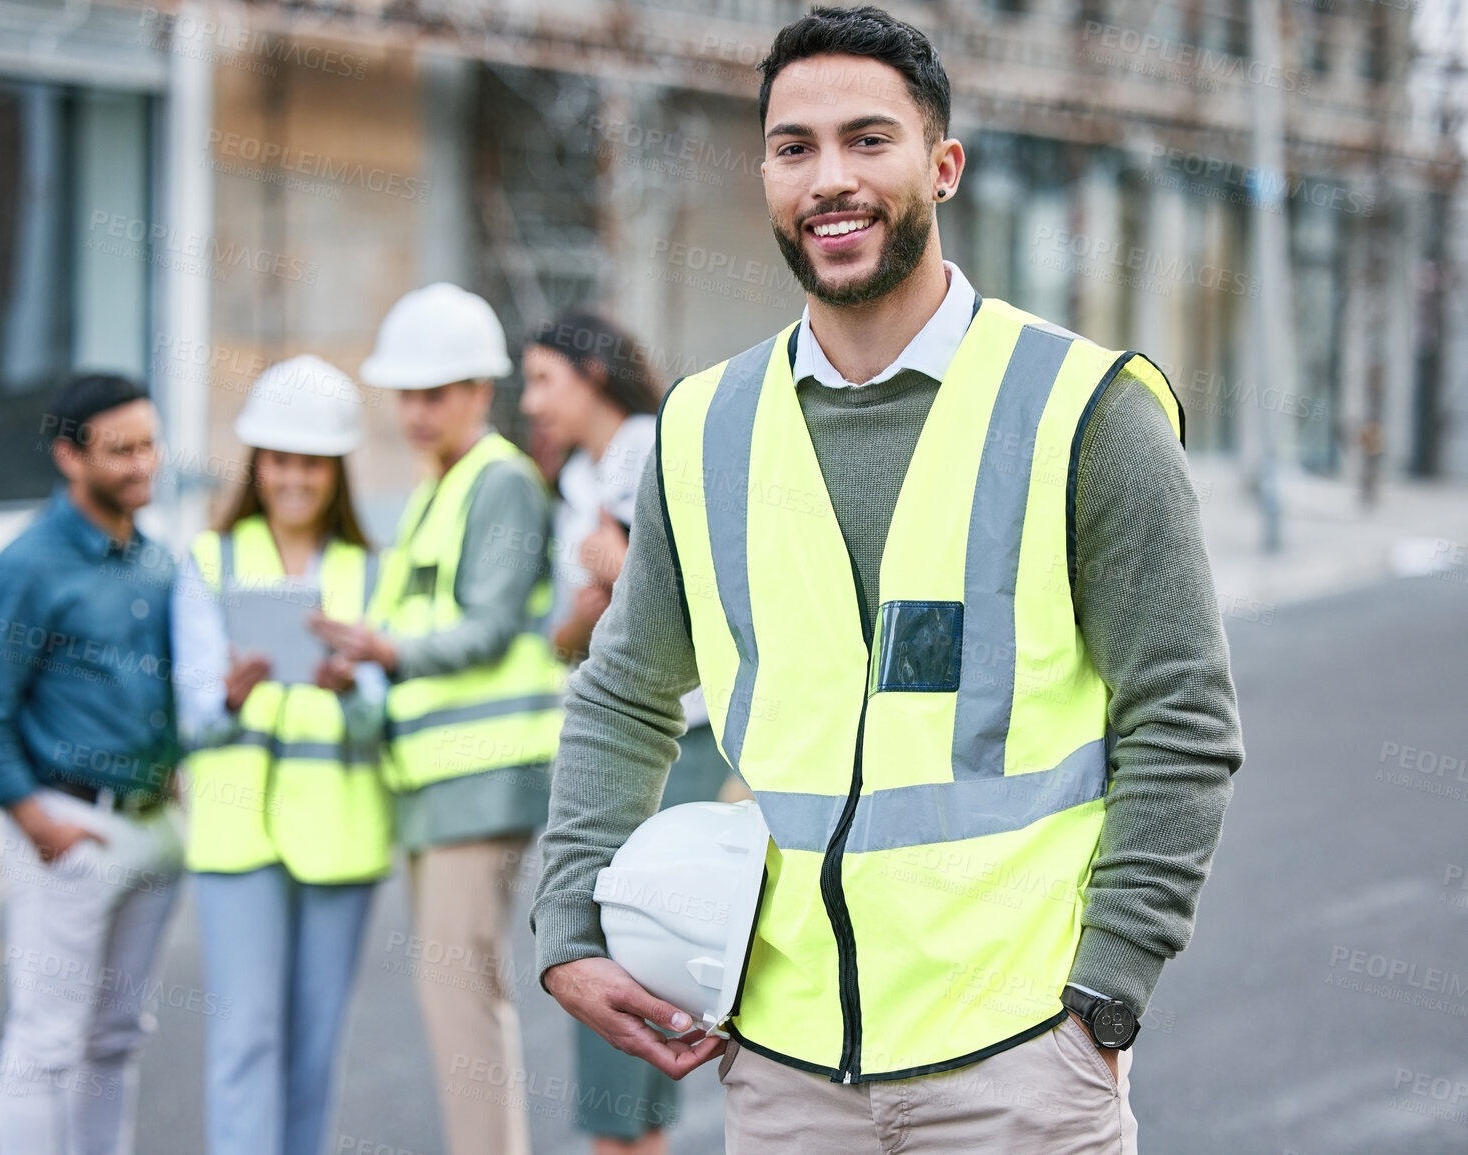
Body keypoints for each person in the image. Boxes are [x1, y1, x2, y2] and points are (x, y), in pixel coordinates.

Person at [532, 8, 1243, 1154]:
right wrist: (570, 922)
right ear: (765, 174)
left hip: (1019, 1063)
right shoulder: (702, 428)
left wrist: (1109, 987)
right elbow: (624, 693)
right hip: (784, 1069)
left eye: (870, 140)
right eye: (796, 148)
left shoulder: (1085, 410)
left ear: (942, 166)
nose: (831, 180)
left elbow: (1182, 714)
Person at [313, 282, 565, 1155]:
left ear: (476, 391)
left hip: (482, 778)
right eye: (406, 396)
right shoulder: (438, 489)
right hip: (435, 782)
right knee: (450, 996)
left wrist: (383, 651)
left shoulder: (497, 484)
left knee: (461, 998)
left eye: (433, 394)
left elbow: (490, 625)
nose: (415, 413)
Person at [0, 374, 184, 1155]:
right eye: (120, 450)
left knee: (115, 1037)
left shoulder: (154, 560)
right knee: (46, 1044)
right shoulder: (24, 566)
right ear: (68, 455)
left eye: (149, 443)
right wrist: (39, 824)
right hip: (69, 829)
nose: (142, 463)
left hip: (153, 831)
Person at [520, 311, 733, 1153]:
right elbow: (575, 629)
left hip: (675, 747)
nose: (531, 400)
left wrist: (609, 577)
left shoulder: (648, 451)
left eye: (543, 379)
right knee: (637, 977)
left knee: (641, 965)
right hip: (620, 741)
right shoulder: (579, 477)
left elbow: (678, 602)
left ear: (592, 376)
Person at [172, 356, 392, 1155]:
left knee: (312, 1049)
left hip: (340, 839)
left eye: (309, 462)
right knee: (245, 1041)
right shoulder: (210, 562)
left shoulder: (370, 570)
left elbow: (384, 719)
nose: (293, 477)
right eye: (278, 459)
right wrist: (231, 696)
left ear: (334, 471)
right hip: (237, 841)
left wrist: (350, 688)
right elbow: (192, 721)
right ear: (255, 464)